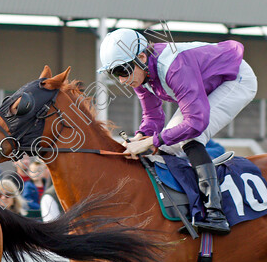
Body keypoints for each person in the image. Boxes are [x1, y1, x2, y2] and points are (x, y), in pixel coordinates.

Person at [100, 28, 258, 235]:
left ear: (141, 57)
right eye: (114, 73)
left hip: (235, 80)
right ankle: (188, 207)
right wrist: (140, 137)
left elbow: (195, 124)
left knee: (190, 138)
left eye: (122, 71)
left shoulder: (173, 67)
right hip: (206, 83)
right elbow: (153, 118)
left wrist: (150, 142)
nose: (121, 80)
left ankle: (215, 213)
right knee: (168, 148)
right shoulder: (140, 74)